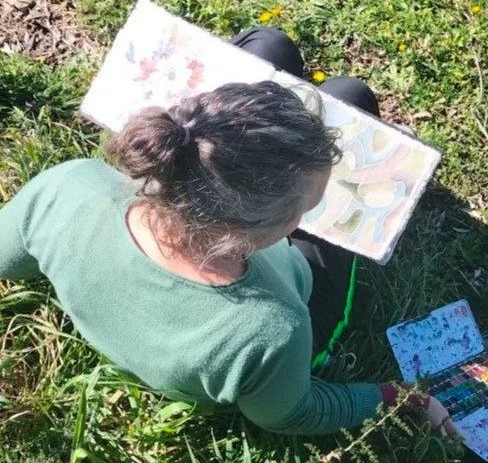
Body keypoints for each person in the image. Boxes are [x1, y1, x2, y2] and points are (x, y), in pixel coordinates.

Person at [0, 27, 457, 437]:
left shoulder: (68, 186)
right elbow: (290, 413)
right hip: (283, 310)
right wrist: (397, 397)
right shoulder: (274, 327)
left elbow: (7, 257)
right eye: (305, 209)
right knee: (351, 96)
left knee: (270, 45)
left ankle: (253, 110)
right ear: (267, 234)